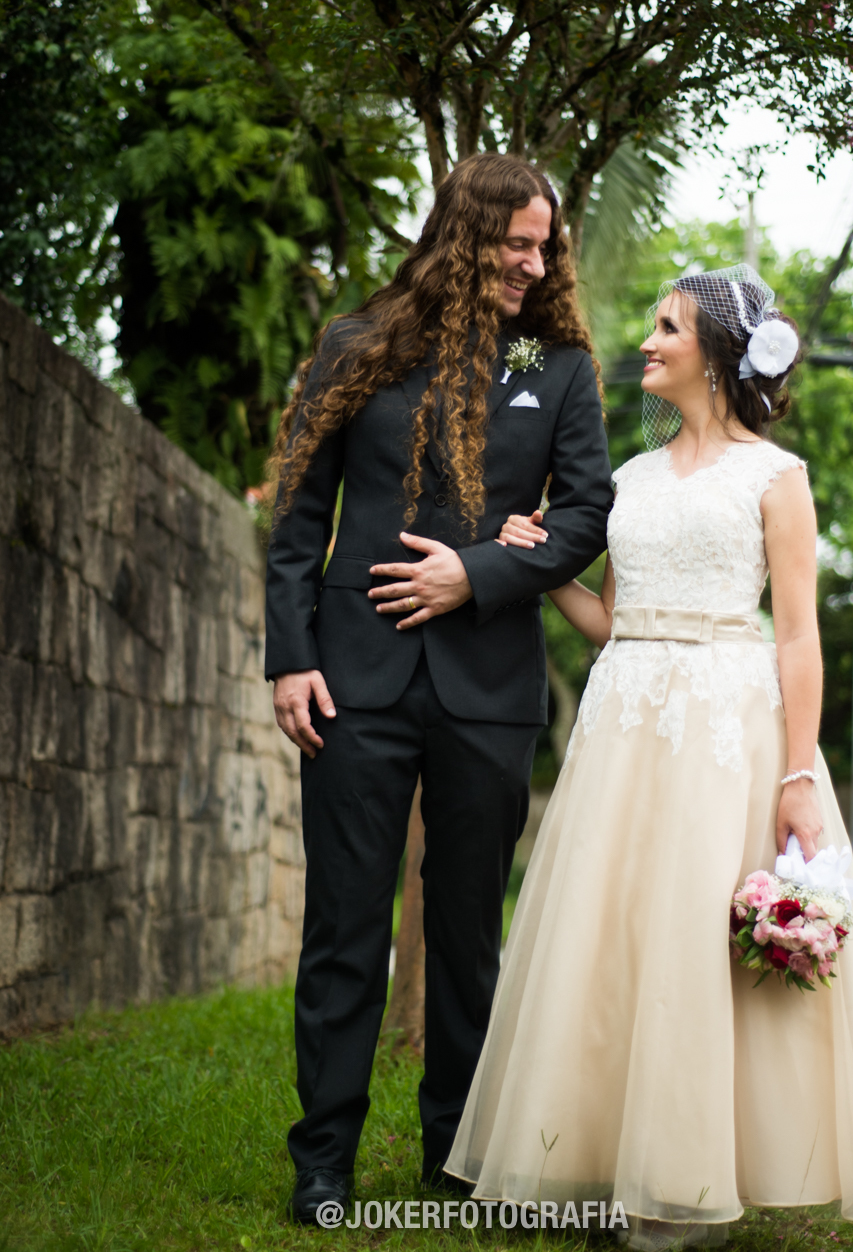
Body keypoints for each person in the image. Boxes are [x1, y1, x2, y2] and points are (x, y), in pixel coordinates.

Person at [446, 265, 853, 1249]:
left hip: (724, 730)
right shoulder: (628, 481)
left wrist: (797, 775)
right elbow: (613, 623)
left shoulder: (775, 479)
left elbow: (796, 638)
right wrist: (542, 567)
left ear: (715, 355)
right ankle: (606, 1156)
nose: (647, 342)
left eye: (666, 327)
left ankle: (690, 1174)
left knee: (702, 949)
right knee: (612, 938)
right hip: (625, 724)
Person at [264, 154, 614, 1223]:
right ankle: (322, 1163)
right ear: (464, 236)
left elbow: (588, 513)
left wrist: (481, 572)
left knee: (468, 934)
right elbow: (294, 517)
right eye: (516, 243)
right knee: (343, 929)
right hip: (352, 684)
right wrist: (290, 656)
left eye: (543, 243)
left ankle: (456, 1158)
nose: (535, 261)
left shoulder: (556, 367)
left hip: (490, 688)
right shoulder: (357, 345)